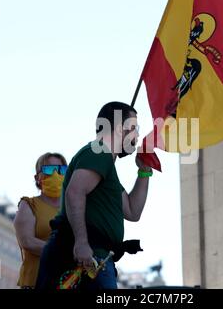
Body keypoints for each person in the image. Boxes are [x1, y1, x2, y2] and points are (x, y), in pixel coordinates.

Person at [36, 102, 152, 290]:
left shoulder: (105, 165)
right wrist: (82, 243)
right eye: (133, 128)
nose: (137, 135)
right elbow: (74, 193)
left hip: (96, 260)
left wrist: (144, 172)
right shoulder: (99, 152)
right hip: (83, 260)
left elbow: (132, 211)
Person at [13, 152, 68, 289]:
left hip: (68, 283)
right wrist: (65, 252)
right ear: (38, 178)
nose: (56, 175)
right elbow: (27, 242)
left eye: (61, 170)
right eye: (49, 170)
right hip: (35, 282)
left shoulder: (73, 209)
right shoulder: (28, 205)